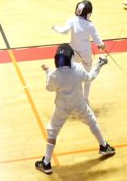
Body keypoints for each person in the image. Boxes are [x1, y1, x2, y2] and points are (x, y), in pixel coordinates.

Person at [35, 44, 114, 175]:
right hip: (79, 104)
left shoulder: (55, 74)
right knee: (92, 122)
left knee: (52, 131)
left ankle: (46, 163)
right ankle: (104, 146)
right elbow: (90, 77)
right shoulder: (78, 69)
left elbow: (49, 88)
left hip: (62, 107)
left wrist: (48, 72)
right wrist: (100, 64)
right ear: (70, 57)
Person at [50, 0, 105, 100]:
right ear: (88, 13)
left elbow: (64, 31)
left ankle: (72, 96)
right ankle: (85, 99)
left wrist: (55, 27)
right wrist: (102, 45)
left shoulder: (72, 20)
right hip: (86, 54)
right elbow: (98, 41)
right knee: (88, 77)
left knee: (72, 74)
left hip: (73, 53)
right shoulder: (90, 25)